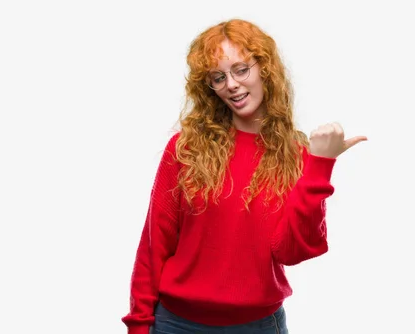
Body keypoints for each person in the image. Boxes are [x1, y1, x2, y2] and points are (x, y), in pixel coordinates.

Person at [121, 18, 367, 334]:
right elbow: (154, 245)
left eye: (241, 70)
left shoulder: (295, 153)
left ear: (265, 69)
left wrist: (320, 164)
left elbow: (294, 251)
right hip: (177, 324)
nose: (231, 84)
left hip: (258, 326)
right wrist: (139, 326)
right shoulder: (185, 148)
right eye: (218, 77)